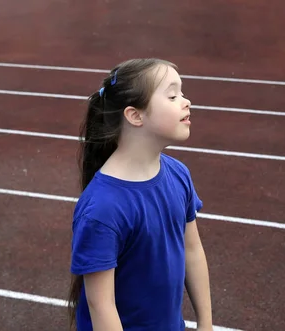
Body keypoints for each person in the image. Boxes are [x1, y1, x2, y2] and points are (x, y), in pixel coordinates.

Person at [68, 58, 212, 331]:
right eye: (172, 95)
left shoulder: (178, 174)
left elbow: (192, 250)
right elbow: (102, 305)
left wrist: (205, 323)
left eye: (181, 93)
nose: (186, 101)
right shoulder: (103, 208)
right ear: (135, 116)